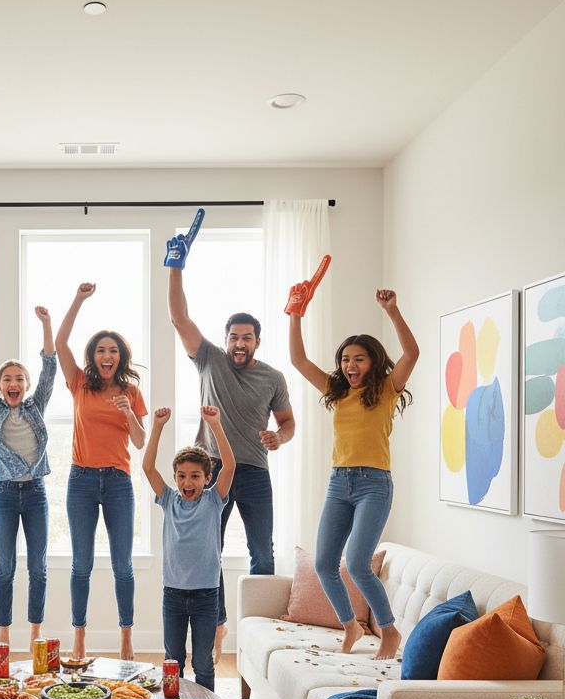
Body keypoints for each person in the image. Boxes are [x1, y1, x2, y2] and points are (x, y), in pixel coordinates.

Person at [166, 223, 296, 661]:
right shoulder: (209, 360)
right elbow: (179, 318)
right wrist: (176, 267)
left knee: (263, 552)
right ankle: (217, 623)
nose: (239, 343)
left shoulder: (273, 377)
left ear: (257, 341)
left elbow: (289, 423)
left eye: (247, 337)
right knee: (210, 552)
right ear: (225, 342)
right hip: (212, 474)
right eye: (233, 337)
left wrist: (279, 437)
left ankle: (264, 637)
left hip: (254, 471)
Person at [288, 269, 418, 661]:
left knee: (359, 563)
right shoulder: (336, 391)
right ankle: (350, 626)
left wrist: (393, 312)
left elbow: (412, 354)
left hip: (374, 484)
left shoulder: (386, 389)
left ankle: (390, 631)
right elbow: (298, 360)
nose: (349, 365)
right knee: (326, 563)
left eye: (358, 358)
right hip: (338, 483)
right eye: (345, 359)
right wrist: (295, 314)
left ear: (373, 362)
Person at [55, 282, 147, 660]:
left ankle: (126, 638)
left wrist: (127, 412)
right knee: (82, 564)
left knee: (123, 565)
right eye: (100, 350)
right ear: (92, 356)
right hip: (81, 481)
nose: (106, 355)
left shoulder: (131, 392)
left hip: (118, 482)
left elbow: (140, 442)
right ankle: (79, 636)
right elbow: (60, 343)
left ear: (120, 357)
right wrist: (77, 299)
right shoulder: (79, 383)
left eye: (113, 350)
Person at [0, 304, 56, 648]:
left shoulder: (36, 405)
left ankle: (35, 632)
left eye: (19, 378)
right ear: (1, 386)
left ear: (28, 384)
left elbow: (50, 365)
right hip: (3, 494)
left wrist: (46, 323)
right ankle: (3, 632)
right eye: (7, 379)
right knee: (5, 566)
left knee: (39, 567)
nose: (13, 383)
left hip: (35, 493)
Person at [143, 405, 235, 691]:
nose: (187, 481)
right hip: (173, 594)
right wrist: (157, 428)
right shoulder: (169, 500)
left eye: (195, 476)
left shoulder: (213, 501)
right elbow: (147, 467)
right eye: (181, 475)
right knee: (173, 660)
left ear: (207, 479)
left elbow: (230, 465)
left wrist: (216, 425)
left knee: (204, 663)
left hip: (207, 595)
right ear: (175, 478)